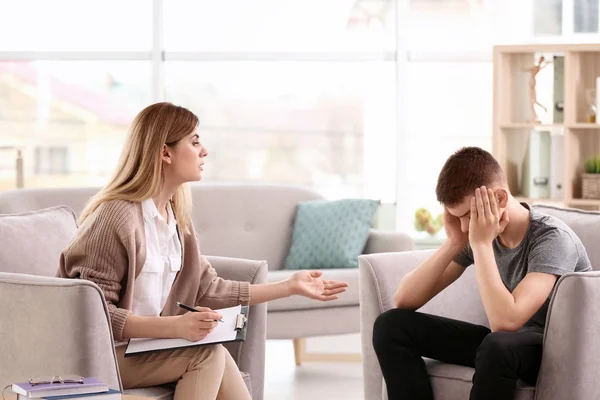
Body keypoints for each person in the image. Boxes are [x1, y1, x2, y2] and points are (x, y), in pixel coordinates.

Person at [57, 102, 348, 400]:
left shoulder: (175, 220)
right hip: (98, 356)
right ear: (165, 152)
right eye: (194, 142)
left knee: (215, 353)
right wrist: (176, 327)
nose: (204, 151)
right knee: (206, 355)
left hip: (142, 350)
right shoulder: (116, 217)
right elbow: (95, 313)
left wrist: (289, 287)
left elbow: (210, 287)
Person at [372, 146, 591, 400]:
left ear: (498, 199)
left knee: (496, 344)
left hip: (552, 348)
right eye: (458, 218)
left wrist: (480, 244)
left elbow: (505, 323)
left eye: (467, 215)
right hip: (502, 345)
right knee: (392, 325)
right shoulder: (479, 235)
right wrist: (454, 242)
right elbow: (404, 300)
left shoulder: (552, 239)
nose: (465, 226)